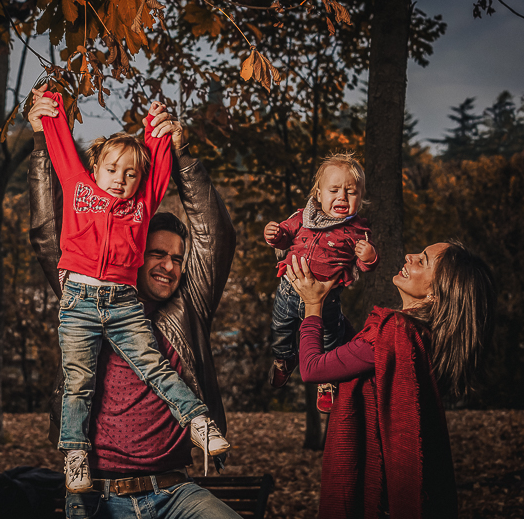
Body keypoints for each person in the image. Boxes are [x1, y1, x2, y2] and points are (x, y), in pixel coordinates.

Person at [28, 93, 241, 519]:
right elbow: (50, 228)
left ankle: (199, 425)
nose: (168, 266)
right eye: (158, 254)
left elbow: (214, 236)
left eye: (178, 259)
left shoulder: (188, 307)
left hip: (176, 491)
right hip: (98, 495)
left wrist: (175, 151)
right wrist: (41, 139)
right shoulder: (78, 281)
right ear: (135, 251)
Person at [287, 241, 496, 518]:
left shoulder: (396, 332)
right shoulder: (423, 336)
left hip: (376, 486)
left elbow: (313, 369)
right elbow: (353, 355)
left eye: (422, 261)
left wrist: (312, 305)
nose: (409, 256)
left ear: (437, 293)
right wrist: (330, 310)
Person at [264, 153, 378, 412]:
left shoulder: (357, 231)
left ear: (360, 197)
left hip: (326, 298)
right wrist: (275, 235)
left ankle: (326, 381)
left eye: (351, 192)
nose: (342, 197)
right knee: (281, 330)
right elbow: (284, 240)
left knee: (329, 339)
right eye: (334, 190)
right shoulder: (303, 217)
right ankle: (285, 359)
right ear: (318, 193)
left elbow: (364, 265)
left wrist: (369, 257)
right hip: (288, 291)